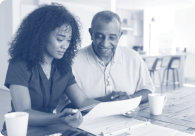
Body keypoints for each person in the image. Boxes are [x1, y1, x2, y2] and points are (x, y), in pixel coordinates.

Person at [1, 4, 98, 135]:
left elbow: (83, 101)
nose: (65, 45)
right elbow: (24, 112)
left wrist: (116, 108)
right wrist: (60, 117)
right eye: (60, 39)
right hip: (21, 131)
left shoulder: (63, 68)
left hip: (51, 129)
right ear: (41, 36)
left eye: (68, 40)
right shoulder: (19, 65)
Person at [72, 11, 154, 103]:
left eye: (112, 38)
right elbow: (66, 105)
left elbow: (149, 91)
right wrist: (105, 101)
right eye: (99, 36)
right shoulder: (74, 62)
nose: (105, 44)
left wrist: (130, 98)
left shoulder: (133, 58)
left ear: (120, 36)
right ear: (91, 34)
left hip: (129, 117)